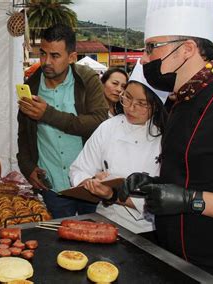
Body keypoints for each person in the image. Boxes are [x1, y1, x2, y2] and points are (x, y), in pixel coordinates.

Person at [121, 0, 213, 282]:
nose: (143, 59)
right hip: (171, 260)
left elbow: (198, 194)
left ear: (188, 49)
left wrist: (192, 201)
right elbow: (200, 172)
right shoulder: (178, 102)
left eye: (152, 47)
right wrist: (156, 186)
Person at [17, 23, 108, 219]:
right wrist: (27, 166)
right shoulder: (30, 86)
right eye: (43, 53)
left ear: (72, 57)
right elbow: (23, 134)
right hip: (52, 185)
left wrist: (48, 114)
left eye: (55, 56)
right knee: (58, 242)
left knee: (93, 236)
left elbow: (99, 122)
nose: (46, 61)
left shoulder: (87, 79)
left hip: (88, 182)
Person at [69, 61, 167, 241]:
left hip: (148, 229)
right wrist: (91, 182)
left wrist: (112, 195)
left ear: (156, 106)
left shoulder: (165, 138)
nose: (130, 107)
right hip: (105, 221)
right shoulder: (109, 127)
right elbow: (78, 168)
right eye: (127, 97)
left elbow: (163, 196)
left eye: (141, 103)